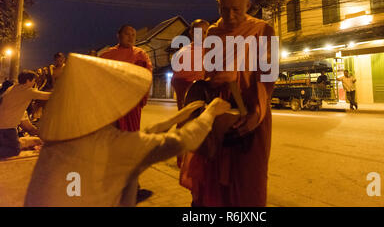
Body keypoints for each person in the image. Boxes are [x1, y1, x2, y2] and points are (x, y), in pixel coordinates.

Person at [24, 53, 231, 207]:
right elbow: (184, 140)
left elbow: (138, 138)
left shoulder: (59, 145)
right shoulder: (109, 145)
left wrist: (179, 116)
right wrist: (210, 113)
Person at [179, 0, 275, 206]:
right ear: (217, 5)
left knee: (249, 181)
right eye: (224, 9)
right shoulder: (214, 32)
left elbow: (269, 76)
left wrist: (256, 112)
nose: (230, 16)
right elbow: (210, 75)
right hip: (221, 114)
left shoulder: (263, 30)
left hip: (253, 111)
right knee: (215, 177)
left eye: (237, 10)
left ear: (249, 5)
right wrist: (214, 81)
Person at [100, 24, 153, 201]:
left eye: (133, 34)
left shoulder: (141, 54)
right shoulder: (107, 55)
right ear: (118, 35)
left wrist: (141, 99)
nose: (131, 37)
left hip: (132, 106)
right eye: (127, 34)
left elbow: (146, 77)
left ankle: (132, 186)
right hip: (114, 106)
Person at [0, 71, 51, 158]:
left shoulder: (12, 88)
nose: (34, 83)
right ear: (28, 80)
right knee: (15, 150)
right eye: (33, 80)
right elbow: (47, 96)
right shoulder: (27, 91)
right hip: (7, 126)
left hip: (3, 124)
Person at [171, 19, 210, 110]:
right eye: (198, 32)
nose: (202, 35)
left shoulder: (211, 50)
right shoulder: (183, 52)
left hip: (206, 93)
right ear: (191, 33)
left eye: (205, 32)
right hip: (187, 93)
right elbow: (176, 77)